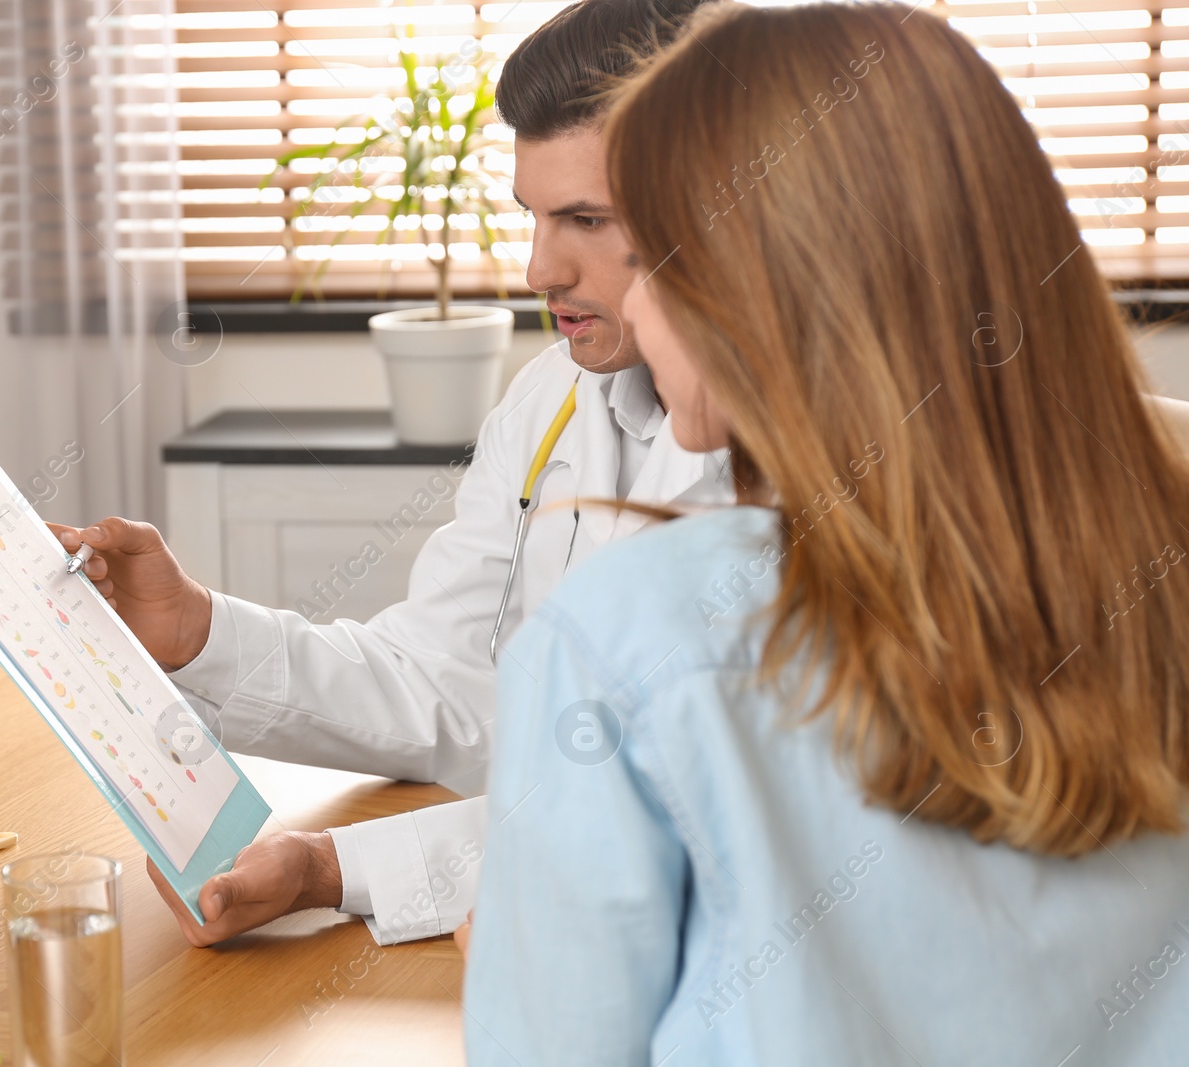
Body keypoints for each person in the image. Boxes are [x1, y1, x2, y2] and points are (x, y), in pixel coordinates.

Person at [463, 3, 1189, 1063]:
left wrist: (527, 959)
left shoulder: (630, 642)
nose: (627, 300)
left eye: (652, 257)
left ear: (760, 286)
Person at [50, 0, 728, 947]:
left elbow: (667, 809)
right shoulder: (553, 400)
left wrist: (336, 866)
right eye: (533, 216)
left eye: (585, 218)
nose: (539, 269)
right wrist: (197, 631)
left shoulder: (811, 463)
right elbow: (444, 680)